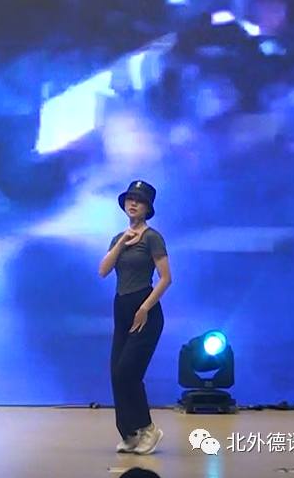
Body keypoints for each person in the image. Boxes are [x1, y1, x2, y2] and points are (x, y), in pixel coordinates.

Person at [98, 180, 172, 455]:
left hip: (145, 310)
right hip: (122, 308)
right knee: (116, 373)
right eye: (130, 199)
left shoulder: (153, 238)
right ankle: (129, 433)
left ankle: (148, 428)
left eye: (139, 200)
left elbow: (166, 278)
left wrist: (145, 308)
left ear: (147, 208)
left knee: (127, 372)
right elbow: (103, 270)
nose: (133, 203)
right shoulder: (119, 238)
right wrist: (121, 244)